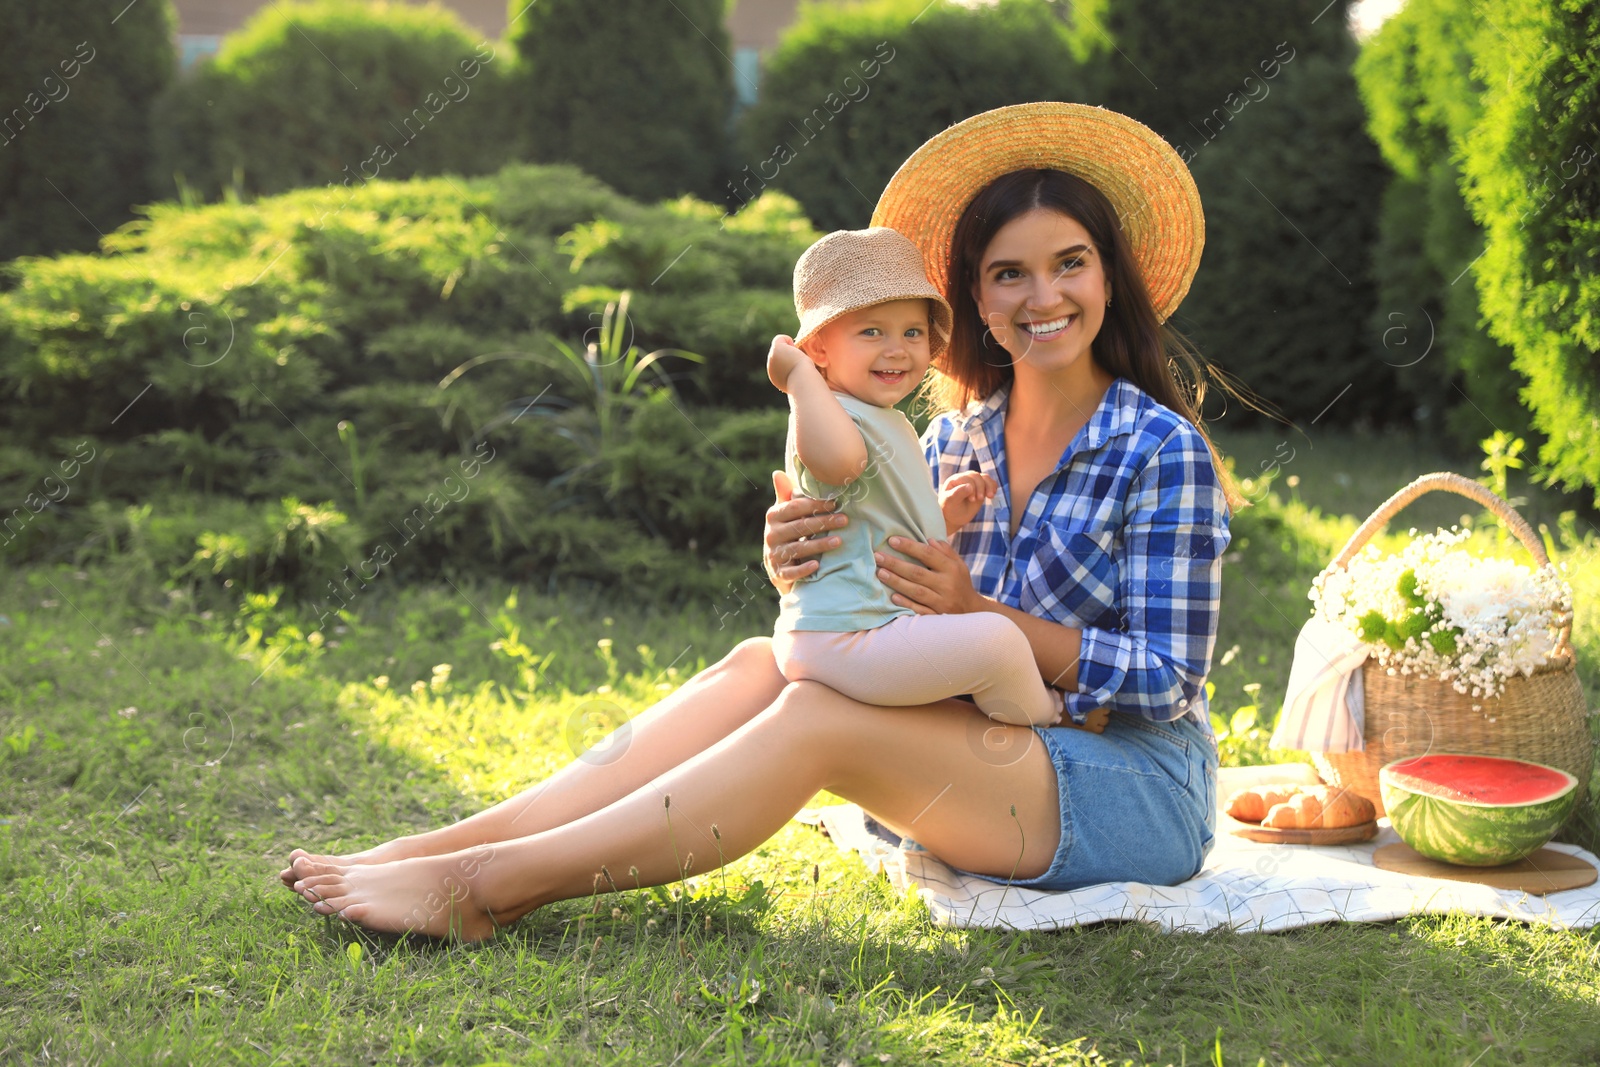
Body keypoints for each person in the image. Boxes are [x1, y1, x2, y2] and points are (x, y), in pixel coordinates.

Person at [280, 102, 1241, 941]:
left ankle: (483, 889)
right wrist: (802, 565)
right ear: (975, 300)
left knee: (815, 712)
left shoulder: (1158, 449)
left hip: (1124, 786)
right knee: (760, 662)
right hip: (985, 742)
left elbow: (1166, 681)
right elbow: (877, 600)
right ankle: (443, 845)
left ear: (1108, 276)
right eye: (1009, 275)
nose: (1043, 297)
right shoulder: (949, 439)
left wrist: (982, 611)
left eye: (1069, 264)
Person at [765, 225, 1099, 731]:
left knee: (986, 642)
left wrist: (940, 517)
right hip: (849, 634)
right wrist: (797, 379)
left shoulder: (884, 417)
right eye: (871, 331)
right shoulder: (826, 410)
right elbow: (839, 462)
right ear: (818, 348)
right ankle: (1053, 714)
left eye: (912, 332)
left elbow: (878, 529)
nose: (897, 349)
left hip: (853, 632)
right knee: (997, 640)